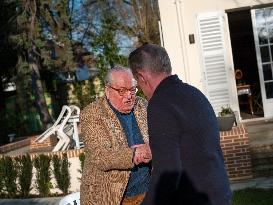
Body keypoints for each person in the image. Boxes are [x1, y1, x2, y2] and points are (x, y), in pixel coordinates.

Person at [128, 43, 232, 205]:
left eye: (137, 85)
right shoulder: (194, 93)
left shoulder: (160, 104)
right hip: (219, 193)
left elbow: (168, 173)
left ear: (142, 77)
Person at [80, 66, 152, 205]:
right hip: (112, 198)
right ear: (108, 91)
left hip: (147, 193)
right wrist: (135, 153)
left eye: (132, 89)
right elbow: (100, 156)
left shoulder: (142, 105)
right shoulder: (92, 114)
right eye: (121, 91)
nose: (129, 96)